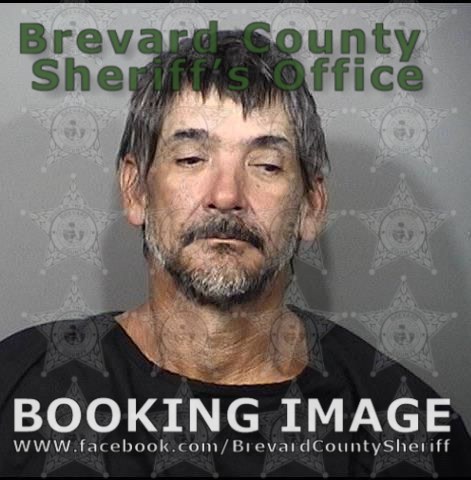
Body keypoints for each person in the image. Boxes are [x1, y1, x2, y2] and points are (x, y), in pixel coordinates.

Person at [0, 30, 470, 478]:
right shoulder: (19, 386)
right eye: (191, 159)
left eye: (266, 165)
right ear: (136, 189)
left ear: (311, 206)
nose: (226, 195)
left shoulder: (410, 433)